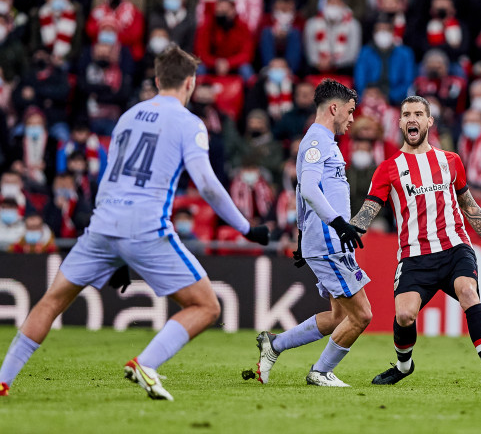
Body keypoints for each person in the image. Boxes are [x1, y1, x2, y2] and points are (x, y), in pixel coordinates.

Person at [0, 45, 270, 399]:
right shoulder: (189, 123)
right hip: (146, 226)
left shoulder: (128, 116)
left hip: (103, 224)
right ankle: (147, 362)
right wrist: (246, 227)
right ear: (190, 83)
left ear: (158, 80)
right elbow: (206, 183)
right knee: (206, 306)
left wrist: (115, 253)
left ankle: (3, 379)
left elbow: (107, 179)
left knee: (51, 300)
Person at [349, 95, 481, 388]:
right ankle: (403, 365)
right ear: (399, 122)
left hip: (454, 248)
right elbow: (368, 210)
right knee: (405, 315)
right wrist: (350, 232)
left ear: (429, 121)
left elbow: (469, 205)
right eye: (407, 114)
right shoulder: (388, 168)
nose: (412, 119)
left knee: (468, 292)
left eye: (418, 114)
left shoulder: (450, 161)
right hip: (414, 256)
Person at [252, 79, 372, 387]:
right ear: (334, 108)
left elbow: (302, 189)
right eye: (350, 111)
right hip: (331, 241)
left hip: (325, 239)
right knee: (362, 316)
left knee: (337, 316)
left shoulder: (322, 141)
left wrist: (303, 234)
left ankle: (274, 345)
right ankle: (320, 372)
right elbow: (307, 189)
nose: (352, 118)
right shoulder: (317, 141)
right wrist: (338, 224)